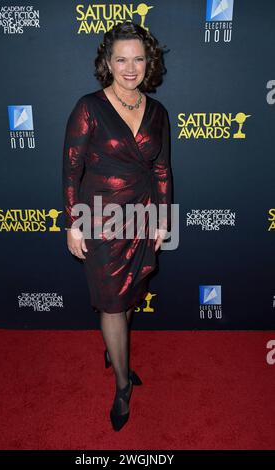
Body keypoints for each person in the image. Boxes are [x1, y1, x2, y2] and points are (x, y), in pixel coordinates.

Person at [62, 21, 172, 431]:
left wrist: (162, 219)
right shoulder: (88, 107)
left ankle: (115, 350)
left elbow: (162, 169)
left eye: (138, 59)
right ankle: (123, 385)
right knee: (111, 301)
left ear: (150, 62)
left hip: (142, 215)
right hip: (100, 218)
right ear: (107, 63)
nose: (130, 67)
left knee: (128, 295)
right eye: (121, 59)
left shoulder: (158, 112)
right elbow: (71, 168)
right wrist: (74, 223)